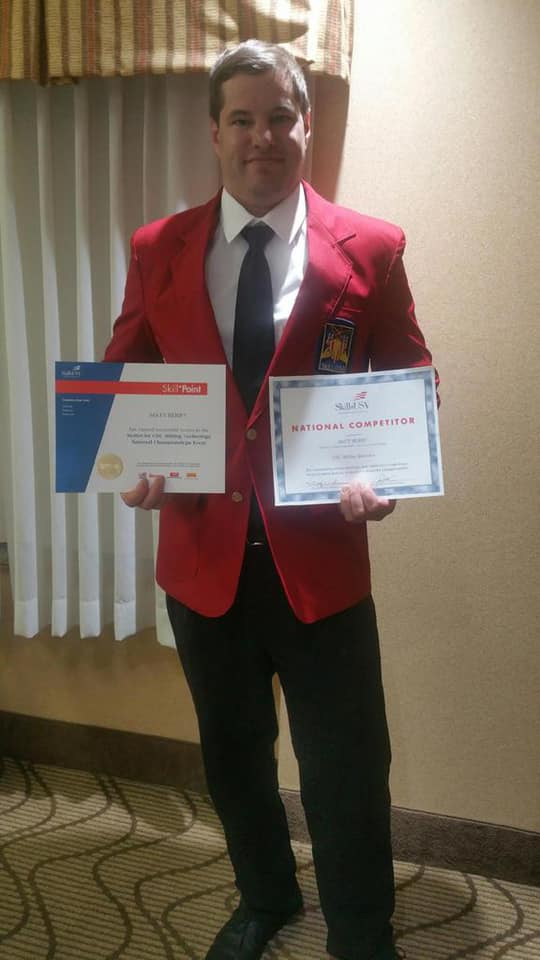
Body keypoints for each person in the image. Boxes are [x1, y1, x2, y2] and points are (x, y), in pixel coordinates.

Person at [105, 39, 435, 960]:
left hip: (320, 560)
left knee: (346, 766)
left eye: (279, 117)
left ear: (306, 125)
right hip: (202, 559)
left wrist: (390, 467)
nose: (263, 136)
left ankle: (363, 930)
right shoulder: (159, 247)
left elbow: (409, 373)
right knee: (234, 754)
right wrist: (127, 454)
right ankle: (266, 898)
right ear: (215, 134)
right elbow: (129, 367)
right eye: (242, 119)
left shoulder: (370, 246)